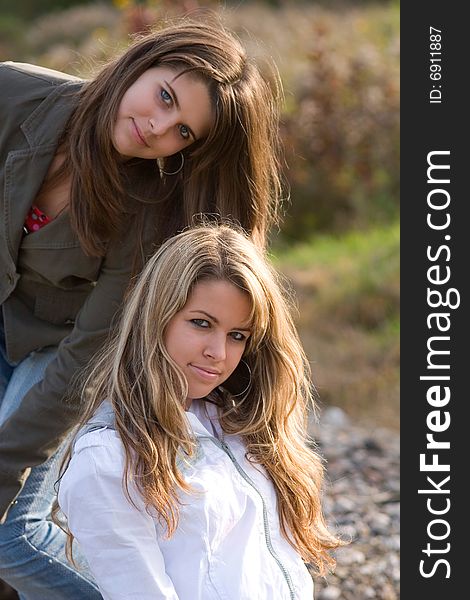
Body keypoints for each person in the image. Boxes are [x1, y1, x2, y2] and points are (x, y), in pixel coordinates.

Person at [0, 16, 283, 598]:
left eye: (182, 132)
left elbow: (84, 355)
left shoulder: (148, 208)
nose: (157, 128)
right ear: (141, 62)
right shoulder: (14, 96)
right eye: (164, 96)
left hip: (55, 346)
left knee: (10, 536)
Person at [55, 223, 343, 600]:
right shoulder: (108, 458)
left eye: (237, 335)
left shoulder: (242, 421)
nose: (219, 354)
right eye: (201, 324)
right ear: (156, 316)